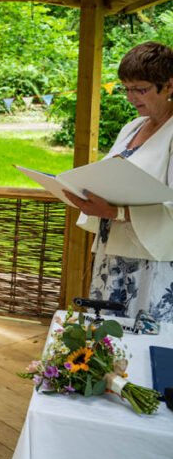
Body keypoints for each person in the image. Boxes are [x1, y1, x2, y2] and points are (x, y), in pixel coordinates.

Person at [66, 41, 173, 322]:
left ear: (169, 86)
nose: (131, 98)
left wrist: (116, 212)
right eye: (127, 89)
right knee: (105, 341)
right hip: (111, 250)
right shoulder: (131, 128)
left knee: (142, 342)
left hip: (151, 260)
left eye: (141, 89)